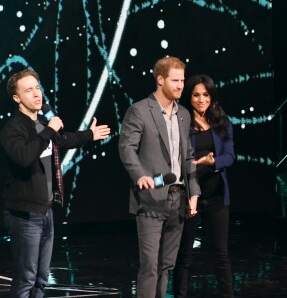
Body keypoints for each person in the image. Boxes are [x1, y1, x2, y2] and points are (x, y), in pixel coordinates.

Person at [0, 68, 111, 298]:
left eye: (37, 88)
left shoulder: (42, 122)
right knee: (26, 278)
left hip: (45, 210)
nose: (36, 94)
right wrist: (49, 131)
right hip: (25, 214)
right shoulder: (13, 128)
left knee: (41, 278)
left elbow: (62, 140)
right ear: (16, 98)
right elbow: (23, 156)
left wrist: (89, 135)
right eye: (28, 90)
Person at [118, 56, 201, 298]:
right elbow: (126, 148)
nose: (180, 86)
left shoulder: (183, 114)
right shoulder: (140, 110)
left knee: (167, 265)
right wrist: (139, 175)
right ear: (160, 79)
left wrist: (194, 191)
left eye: (182, 81)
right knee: (150, 266)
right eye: (175, 80)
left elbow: (188, 156)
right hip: (151, 198)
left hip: (178, 198)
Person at [173, 74, 235, 298]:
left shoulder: (222, 122)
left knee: (221, 254)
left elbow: (230, 156)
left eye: (206, 95)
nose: (201, 100)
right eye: (196, 95)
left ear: (212, 96)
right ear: (189, 97)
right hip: (190, 197)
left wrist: (213, 162)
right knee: (184, 256)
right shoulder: (180, 122)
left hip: (217, 196)